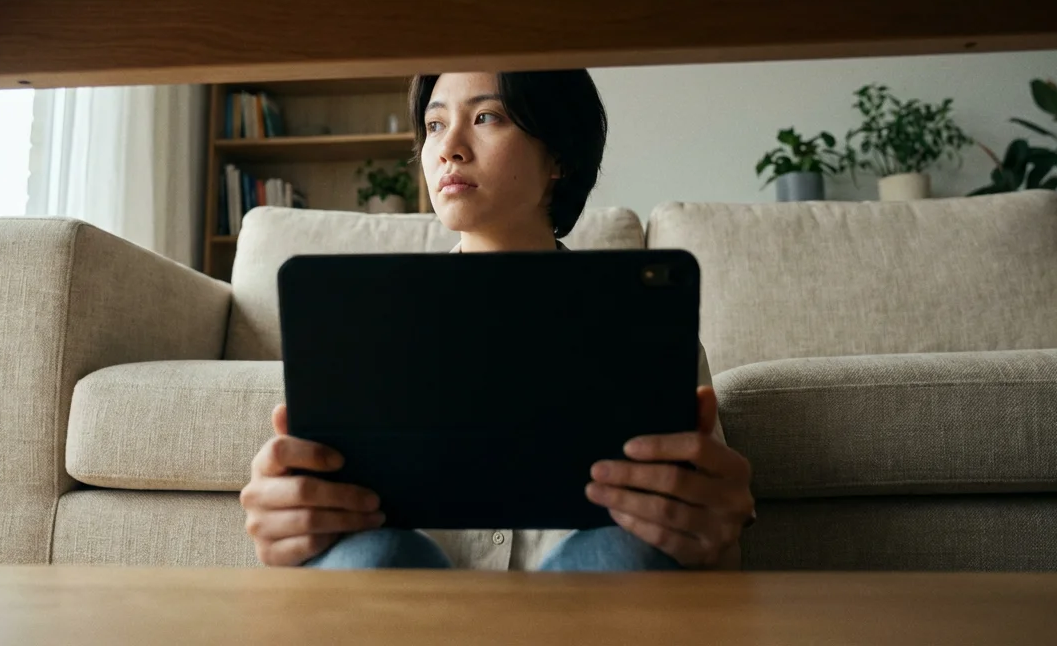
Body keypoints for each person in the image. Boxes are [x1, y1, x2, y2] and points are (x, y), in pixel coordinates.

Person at [240, 71, 754, 571]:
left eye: (486, 116)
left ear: (558, 156)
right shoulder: (364, 324)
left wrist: (715, 540)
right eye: (436, 125)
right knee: (371, 557)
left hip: (586, 618)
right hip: (409, 616)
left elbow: (715, 550)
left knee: (620, 553)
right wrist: (292, 525)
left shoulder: (646, 328)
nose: (449, 148)